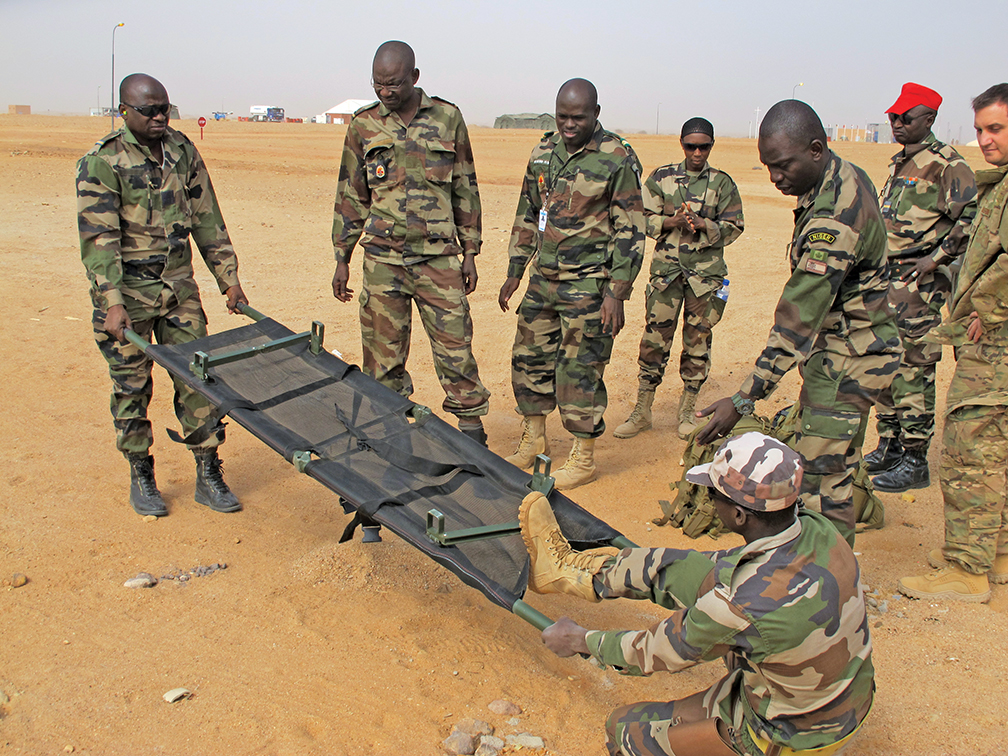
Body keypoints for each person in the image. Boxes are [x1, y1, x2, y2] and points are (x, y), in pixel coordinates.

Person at [520, 432, 874, 756]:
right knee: (680, 568)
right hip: (841, 697)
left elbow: (653, 651)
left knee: (623, 730)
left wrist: (581, 640)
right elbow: (707, 569)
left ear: (737, 515)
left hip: (789, 736)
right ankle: (571, 571)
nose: (709, 498)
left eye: (713, 493)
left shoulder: (741, 606)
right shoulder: (820, 529)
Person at [696, 100, 902, 547]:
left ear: (815, 149)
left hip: (848, 360)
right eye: (768, 166)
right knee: (835, 469)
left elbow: (796, 321)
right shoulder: (839, 176)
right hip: (854, 350)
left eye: (783, 165)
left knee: (819, 486)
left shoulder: (833, 218)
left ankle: (827, 589)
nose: (774, 177)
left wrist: (744, 397)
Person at [77, 73, 247, 518]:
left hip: (178, 290)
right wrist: (112, 300)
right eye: (149, 111)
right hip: (127, 296)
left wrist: (228, 278)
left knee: (199, 380)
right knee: (132, 387)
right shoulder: (102, 161)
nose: (159, 117)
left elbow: (207, 216)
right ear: (124, 112)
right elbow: (99, 239)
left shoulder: (182, 149)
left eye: (164, 109)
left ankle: (208, 472)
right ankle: (141, 473)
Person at [331, 40, 490, 445]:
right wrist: (342, 257)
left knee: (456, 350)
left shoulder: (448, 118)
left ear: (414, 78)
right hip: (384, 262)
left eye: (394, 83)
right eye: (378, 84)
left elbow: (465, 188)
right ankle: (393, 445)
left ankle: (474, 440)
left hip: (438, 259)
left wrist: (470, 251)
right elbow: (352, 195)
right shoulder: (363, 125)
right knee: (382, 359)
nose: (386, 92)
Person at [498, 78, 645, 489]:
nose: (568, 124)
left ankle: (583, 456)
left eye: (578, 117)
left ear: (596, 114)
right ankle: (534, 439)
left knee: (580, 368)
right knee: (529, 358)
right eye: (562, 116)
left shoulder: (617, 157)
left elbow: (631, 229)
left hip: (589, 285)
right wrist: (515, 270)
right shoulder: (543, 151)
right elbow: (528, 212)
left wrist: (617, 292)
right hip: (543, 280)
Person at [898, 83, 1008, 602]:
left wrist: (990, 308)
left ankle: (966, 571)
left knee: (971, 446)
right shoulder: (1000, 183)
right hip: (990, 336)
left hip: (997, 344)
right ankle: (995, 553)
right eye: (982, 129)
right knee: (996, 446)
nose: (985, 141)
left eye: (997, 129)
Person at [864, 83, 978, 493]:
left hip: (919, 286)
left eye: (905, 118)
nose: (896, 123)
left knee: (914, 366)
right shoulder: (903, 162)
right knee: (886, 361)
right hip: (888, 281)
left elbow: (973, 220)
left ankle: (915, 458)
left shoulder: (947, 164)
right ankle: (891, 442)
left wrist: (937, 258)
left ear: (928, 119)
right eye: (893, 117)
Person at [614, 117, 744, 441]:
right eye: (691, 146)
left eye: (704, 146)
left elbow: (736, 225)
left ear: (711, 146)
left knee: (698, 340)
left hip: (704, 277)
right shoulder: (662, 177)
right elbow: (640, 216)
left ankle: (687, 411)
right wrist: (671, 221)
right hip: (667, 274)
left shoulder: (723, 183)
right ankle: (642, 410)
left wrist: (705, 225)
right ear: (682, 144)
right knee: (654, 340)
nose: (697, 152)